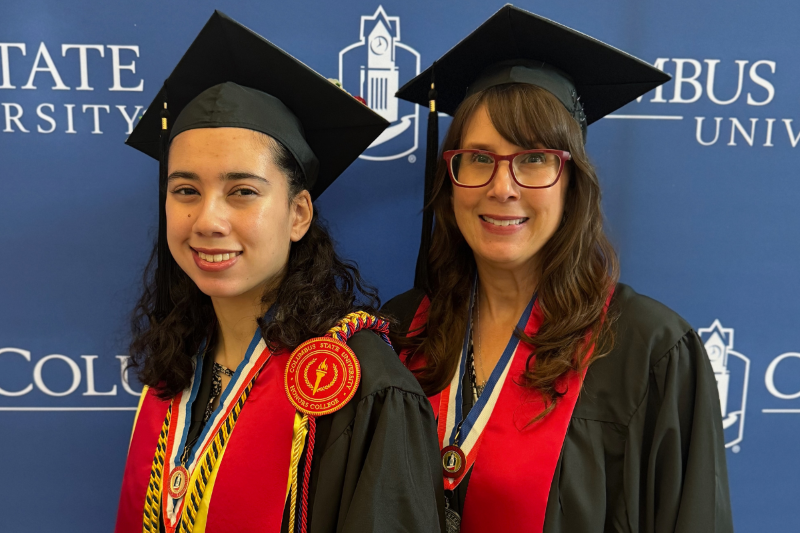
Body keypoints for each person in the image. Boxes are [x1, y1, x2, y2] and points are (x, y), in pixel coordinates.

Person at [384, 5, 733, 533]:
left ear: (572, 182)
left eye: (533, 159)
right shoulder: (401, 331)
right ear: (450, 178)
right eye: (478, 158)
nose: (502, 187)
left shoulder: (648, 352)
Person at [114, 12, 443, 533]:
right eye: (185, 191)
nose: (208, 220)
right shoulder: (179, 357)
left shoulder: (360, 385)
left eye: (242, 191)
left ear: (298, 214)